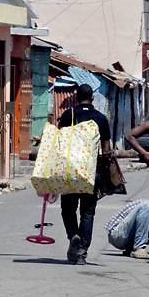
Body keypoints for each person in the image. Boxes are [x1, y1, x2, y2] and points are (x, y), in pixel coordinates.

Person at [58, 84, 112, 265]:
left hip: (70, 171)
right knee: (87, 213)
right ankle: (81, 252)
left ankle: (73, 235)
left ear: (75, 98)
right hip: (91, 171)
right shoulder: (101, 119)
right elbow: (106, 151)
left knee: (67, 208)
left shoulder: (68, 116)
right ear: (93, 98)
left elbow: (60, 145)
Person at [105, 190, 149, 259]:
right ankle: (139, 248)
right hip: (117, 235)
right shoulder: (147, 206)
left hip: (126, 238)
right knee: (146, 208)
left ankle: (131, 249)